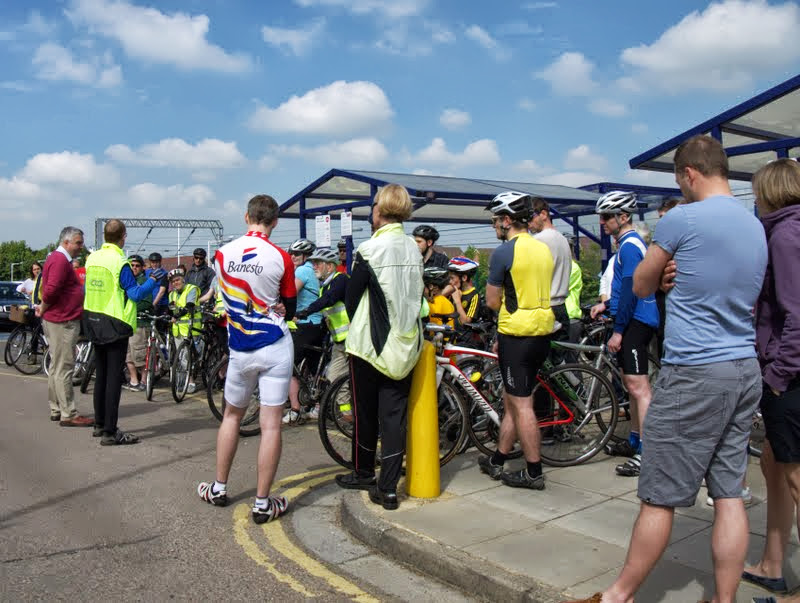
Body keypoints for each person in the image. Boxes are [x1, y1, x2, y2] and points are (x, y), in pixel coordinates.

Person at [565, 135, 767, 603]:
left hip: (694, 369)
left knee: (658, 494)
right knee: (728, 494)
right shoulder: (753, 223)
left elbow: (639, 284)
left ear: (688, 174)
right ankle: (724, 599)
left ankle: (618, 597)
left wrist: (663, 272)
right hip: (743, 367)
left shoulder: (682, 218)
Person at [197, 194, 297, 524]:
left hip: (240, 347)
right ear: (275, 221)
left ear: (246, 217)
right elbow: (290, 308)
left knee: (231, 417)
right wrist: (278, 306)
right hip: (275, 344)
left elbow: (224, 294)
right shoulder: (282, 257)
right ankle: (263, 503)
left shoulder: (222, 254)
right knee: (271, 425)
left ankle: (218, 488)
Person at [335, 183, 424, 511]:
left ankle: (363, 473)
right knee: (394, 418)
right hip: (406, 342)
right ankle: (388, 489)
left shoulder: (370, 249)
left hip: (370, 346)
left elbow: (351, 298)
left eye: (374, 206)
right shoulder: (414, 248)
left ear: (381, 210)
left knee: (365, 414)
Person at [740, 159, 800, 597]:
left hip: (790, 375)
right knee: (772, 462)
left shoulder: (784, 235)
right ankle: (772, 564)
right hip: (788, 371)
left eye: (758, 191)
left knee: (794, 474)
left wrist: (778, 373)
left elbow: (797, 314)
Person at [477, 191, 555, 490]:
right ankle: (498, 459)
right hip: (542, 331)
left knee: (522, 405)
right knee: (513, 400)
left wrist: (505, 321)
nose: (494, 226)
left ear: (507, 220)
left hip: (517, 334)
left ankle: (534, 472)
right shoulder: (542, 248)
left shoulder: (503, 252)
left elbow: (492, 301)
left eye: (495, 220)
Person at [589, 191, 659, 478]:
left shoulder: (630, 246)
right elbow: (623, 289)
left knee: (640, 388)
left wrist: (618, 331)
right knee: (632, 385)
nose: (602, 222)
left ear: (624, 216)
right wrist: (606, 305)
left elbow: (632, 290)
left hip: (635, 322)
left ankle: (648, 453)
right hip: (632, 319)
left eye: (607, 216)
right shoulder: (629, 245)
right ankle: (634, 441)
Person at [83, 220, 163, 445]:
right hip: (114, 321)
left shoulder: (92, 258)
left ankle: (99, 424)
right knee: (113, 378)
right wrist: (152, 280)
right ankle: (110, 432)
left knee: (101, 374)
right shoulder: (120, 262)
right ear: (123, 237)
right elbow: (135, 294)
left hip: (93, 317)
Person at [37, 227, 93, 426]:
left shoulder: (56, 258)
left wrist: (44, 308)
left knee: (56, 366)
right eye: (78, 243)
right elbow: (51, 290)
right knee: (64, 367)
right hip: (62, 320)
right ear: (66, 242)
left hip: (58, 319)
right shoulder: (61, 260)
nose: (81, 247)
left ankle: (57, 408)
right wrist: (43, 306)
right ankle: (68, 413)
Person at [294, 247, 350, 419]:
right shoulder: (323, 287)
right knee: (333, 377)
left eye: (318, 263)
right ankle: (348, 416)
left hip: (353, 339)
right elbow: (329, 314)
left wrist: (305, 312)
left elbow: (329, 299)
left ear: (330, 266)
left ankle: (360, 415)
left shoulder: (341, 280)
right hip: (339, 341)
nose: (314, 267)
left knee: (354, 379)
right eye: (313, 263)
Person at [284, 238, 323, 424]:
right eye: (291, 253)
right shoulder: (310, 270)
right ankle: (318, 406)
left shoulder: (302, 271)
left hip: (306, 324)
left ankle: (295, 410)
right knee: (314, 367)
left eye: (297, 254)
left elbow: (290, 293)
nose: (293, 256)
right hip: (316, 325)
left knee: (289, 366)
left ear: (306, 255)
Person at [528, 197, 572, 346]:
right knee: (561, 356)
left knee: (541, 357)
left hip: (545, 306)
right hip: (561, 306)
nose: (528, 224)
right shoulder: (563, 239)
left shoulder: (538, 240)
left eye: (530, 217)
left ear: (543, 214)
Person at [654, 198, 682, 361]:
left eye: (664, 218)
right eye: (660, 218)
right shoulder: (663, 244)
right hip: (664, 313)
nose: (661, 223)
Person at [167, 268, 201, 394]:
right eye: (173, 281)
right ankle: (184, 380)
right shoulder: (172, 294)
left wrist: (176, 316)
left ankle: (191, 381)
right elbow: (171, 310)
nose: (175, 283)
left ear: (183, 280)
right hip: (178, 330)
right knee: (181, 358)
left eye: (177, 280)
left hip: (191, 328)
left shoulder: (191, 289)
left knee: (187, 356)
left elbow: (189, 306)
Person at [124, 255, 153, 392]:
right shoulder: (126, 280)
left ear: (142, 268)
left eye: (137, 265)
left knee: (140, 354)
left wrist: (129, 308)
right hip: (127, 323)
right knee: (128, 354)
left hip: (140, 322)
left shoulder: (144, 281)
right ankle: (134, 380)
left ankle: (144, 381)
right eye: (132, 265)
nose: (134, 268)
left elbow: (147, 302)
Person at [447, 256, 481, 325]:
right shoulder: (452, 291)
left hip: (463, 331)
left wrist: (457, 301)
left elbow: (465, 322)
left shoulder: (474, 295)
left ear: (464, 278)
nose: (450, 281)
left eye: (452, 278)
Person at [565, 240, 584, 343]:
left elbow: (559, 287)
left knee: (568, 352)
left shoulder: (573, 267)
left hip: (570, 315)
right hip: (556, 316)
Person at [145, 252, 169, 317]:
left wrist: (153, 304)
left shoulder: (164, 274)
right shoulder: (147, 272)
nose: (155, 264)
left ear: (160, 262)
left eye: (156, 262)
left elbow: (162, 292)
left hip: (161, 304)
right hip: (149, 303)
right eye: (153, 262)